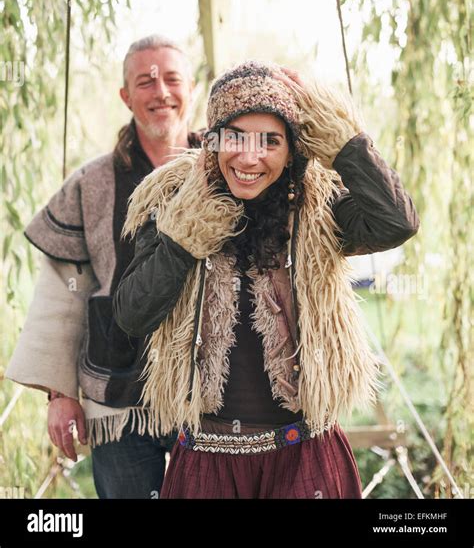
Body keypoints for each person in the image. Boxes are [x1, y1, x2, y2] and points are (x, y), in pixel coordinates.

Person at [113, 59, 420, 499]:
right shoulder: (172, 206)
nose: (250, 156)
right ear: (212, 140)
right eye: (235, 136)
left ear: (292, 149)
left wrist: (343, 141)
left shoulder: (318, 210)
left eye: (270, 141)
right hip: (206, 459)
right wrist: (183, 243)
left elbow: (396, 222)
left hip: (303, 456)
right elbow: (132, 315)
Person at [5, 35, 203, 498]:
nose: (161, 92)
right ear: (125, 95)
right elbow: (64, 290)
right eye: (145, 81)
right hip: (116, 396)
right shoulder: (91, 183)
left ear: (191, 88)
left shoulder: (229, 172)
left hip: (208, 394)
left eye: (172, 79)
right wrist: (61, 394)